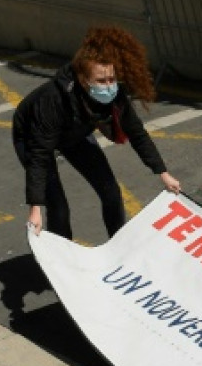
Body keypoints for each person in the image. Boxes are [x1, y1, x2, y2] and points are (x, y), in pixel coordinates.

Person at [12, 26, 181, 240]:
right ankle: (63, 259)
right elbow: (39, 156)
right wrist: (35, 208)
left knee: (111, 192)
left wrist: (163, 173)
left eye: (111, 79)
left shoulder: (115, 96)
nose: (108, 86)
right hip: (31, 134)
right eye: (101, 81)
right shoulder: (54, 101)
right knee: (59, 207)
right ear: (84, 80)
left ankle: (119, 245)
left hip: (75, 134)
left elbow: (137, 134)